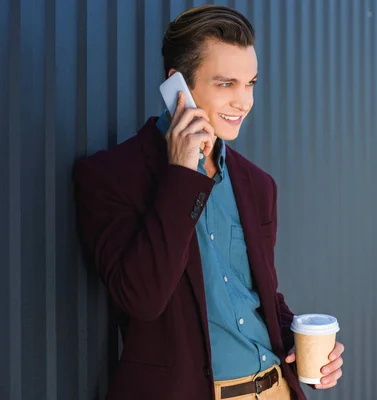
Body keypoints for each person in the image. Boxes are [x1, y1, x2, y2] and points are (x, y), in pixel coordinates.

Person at [72, 5, 344, 400]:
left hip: (275, 389)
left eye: (250, 83)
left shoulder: (257, 185)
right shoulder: (111, 176)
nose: (243, 101)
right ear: (177, 85)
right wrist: (182, 176)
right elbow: (142, 298)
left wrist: (298, 339)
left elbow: (255, 295)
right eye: (225, 84)